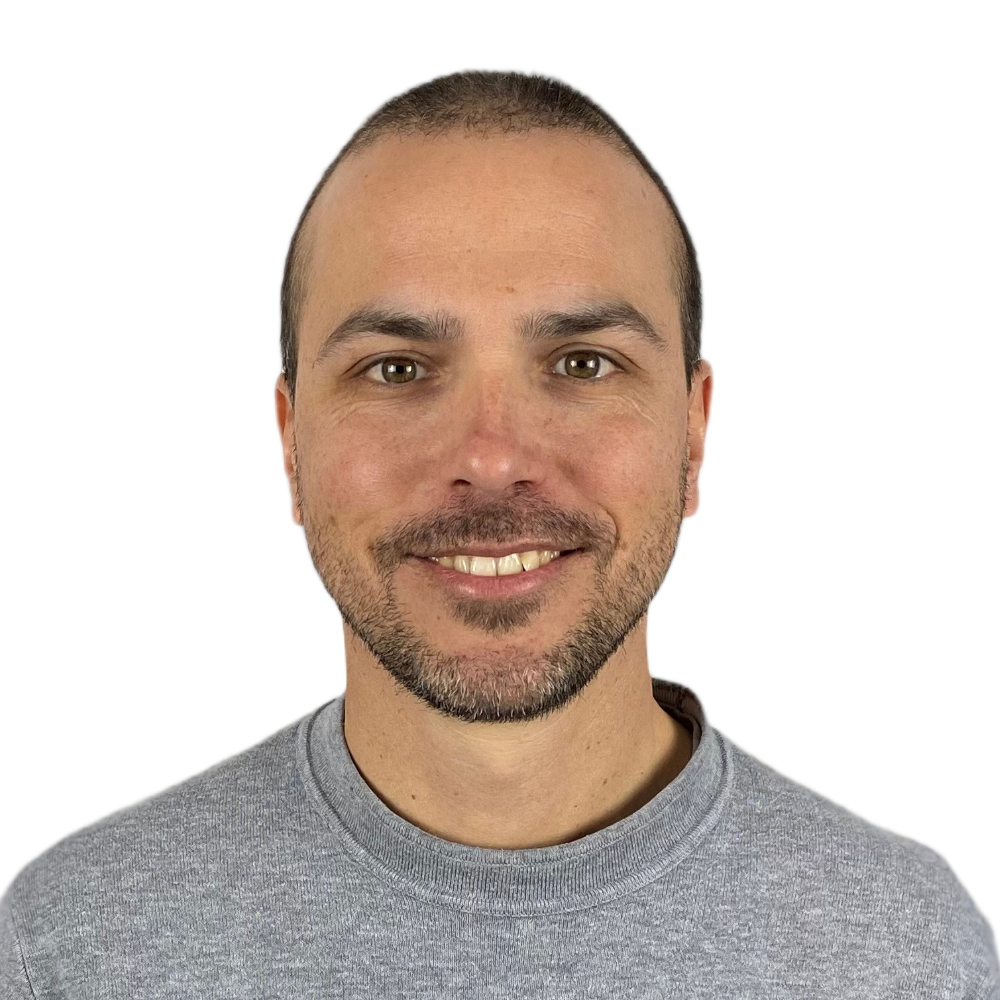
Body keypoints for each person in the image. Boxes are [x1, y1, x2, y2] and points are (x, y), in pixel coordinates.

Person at [2, 67, 996, 998]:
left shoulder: (913, 955)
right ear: (289, 442)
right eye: (396, 369)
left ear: (694, 433)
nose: (490, 456)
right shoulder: (72, 946)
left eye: (582, 363)